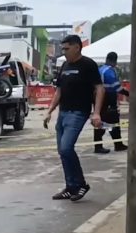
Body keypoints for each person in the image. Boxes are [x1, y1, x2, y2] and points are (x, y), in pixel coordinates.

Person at [44, 35, 104, 202]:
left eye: (66, 48)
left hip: (78, 112)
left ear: (77, 47)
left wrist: (96, 112)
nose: (64, 52)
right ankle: (71, 187)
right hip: (63, 113)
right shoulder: (65, 65)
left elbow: (99, 88)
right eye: (63, 49)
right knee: (62, 152)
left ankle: (81, 184)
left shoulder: (88, 65)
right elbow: (59, 91)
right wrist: (50, 110)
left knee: (66, 148)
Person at [94, 51, 129, 153]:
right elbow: (117, 88)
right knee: (112, 122)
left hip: (98, 99)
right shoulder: (109, 71)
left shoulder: (100, 69)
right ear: (114, 61)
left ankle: (100, 145)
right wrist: (128, 94)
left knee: (101, 121)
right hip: (107, 99)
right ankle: (115, 144)